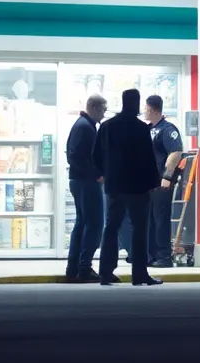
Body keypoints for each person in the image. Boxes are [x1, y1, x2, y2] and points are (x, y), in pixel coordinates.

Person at [92, 89, 162, 286]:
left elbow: (95, 154)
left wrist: (101, 174)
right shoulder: (140, 128)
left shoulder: (106, 127)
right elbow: (148, 159)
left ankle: (105, 272)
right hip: (138, 186)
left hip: (114, 185)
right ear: (137, 103)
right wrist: (154, 183)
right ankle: (139, 274)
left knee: (111, 227)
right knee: (140, 229)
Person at [65, 94, 107, 282]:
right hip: (86, 182)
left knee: (82, 223)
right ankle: (84, 267)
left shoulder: (83, 125)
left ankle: (74, 267)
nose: (104, 114)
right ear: (94, 107)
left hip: (79, 180)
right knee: (94, 224)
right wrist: (96, 174)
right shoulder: (85, 127)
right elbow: (76, 156)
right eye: (103, 109)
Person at [143, 94, 183, 269]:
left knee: (160, 219)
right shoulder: (149, 128)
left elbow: (175, 153)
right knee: (150, 219)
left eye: (145, 108)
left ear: (153, 109)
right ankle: (151, 255)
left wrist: (167, 176)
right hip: (148, 182)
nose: (144, 111)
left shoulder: (167, 129)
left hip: (161, 181)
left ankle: (164, 256)